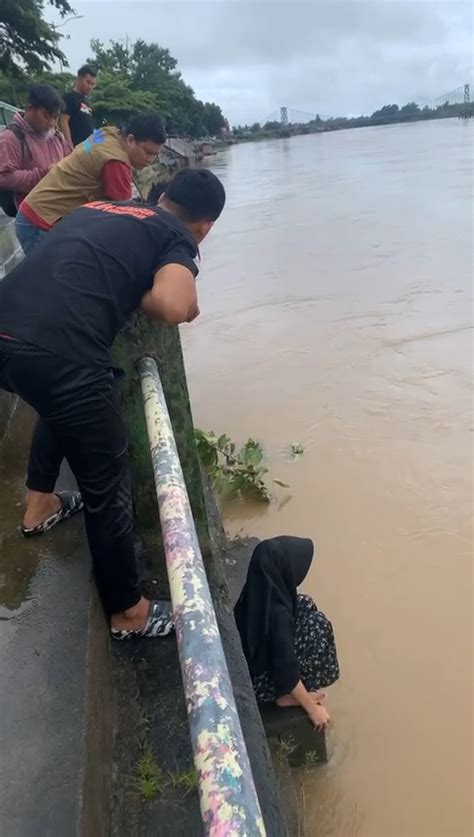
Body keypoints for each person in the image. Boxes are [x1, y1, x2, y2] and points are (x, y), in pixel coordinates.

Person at [0, 168, 226, 638]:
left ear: (163, 195)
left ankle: (39, 503)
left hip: (8, 329)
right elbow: (170, 305)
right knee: (106, 475)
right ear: (204, 226)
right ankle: (128, 612)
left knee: (64, 407)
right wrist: (177, 296)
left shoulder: (100, 206)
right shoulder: (174, 236)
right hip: (62, 350)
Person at [15, 111, 166, 254]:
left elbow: (86, 152)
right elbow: (124, 218)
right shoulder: (115, 162)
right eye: (148, 152)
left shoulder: (106, 133)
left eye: (155, 155)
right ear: (131, 139)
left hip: (34, 208)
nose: (150, 160)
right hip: (41, 223)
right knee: (54, 278)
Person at [234, 537, 339, 730]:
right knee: (319, 627)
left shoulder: (259, 589)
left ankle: (292, 691)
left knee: (304, 604)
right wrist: (312, 709)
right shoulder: (278, 615)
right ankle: (287, 696)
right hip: (259, 683)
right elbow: (286, 667)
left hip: (251, 661)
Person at [0, 84, 71, 217]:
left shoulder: (56, 136)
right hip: (29, 216)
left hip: (56, 209)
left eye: (55, 117)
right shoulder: (10, 138)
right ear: (29, 108)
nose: (52, 123)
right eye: (46, 116)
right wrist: (43, 174)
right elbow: (3, 177)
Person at [60, 63, 96, 146]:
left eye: (92, 84)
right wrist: (69, 144)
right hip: (75, 148)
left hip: (87, 147)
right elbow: (64, 121)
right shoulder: (69, 97)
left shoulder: (86, 102)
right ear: (79, 79)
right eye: (88, 82)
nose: (90, 86)